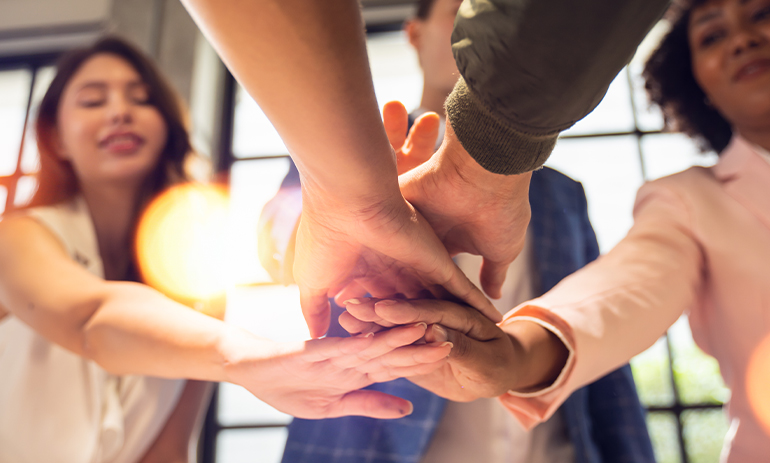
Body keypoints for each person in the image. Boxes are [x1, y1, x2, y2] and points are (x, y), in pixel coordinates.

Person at [343, 0, 770, 460]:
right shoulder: (690, 201)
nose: (743, 40)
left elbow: (610, 375)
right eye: (711, 35)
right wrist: (513, 357)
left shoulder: (556, 190)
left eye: (763, 15)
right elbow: (618, 296)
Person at [0, 36, 453, 463]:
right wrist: (252, 362)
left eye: (140, 99)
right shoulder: (18, 235)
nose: (120, 112)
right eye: (93, 100)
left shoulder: (191, 278)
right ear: (56, 137)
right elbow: (92, 321)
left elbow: (169, 450)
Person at [179, 0, 672, 340]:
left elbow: (586, 314)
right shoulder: (337, 148)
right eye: (464, 15)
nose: (472, 35)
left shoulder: (559, 190)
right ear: (414, 35)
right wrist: (352, 204)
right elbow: (280, 235)